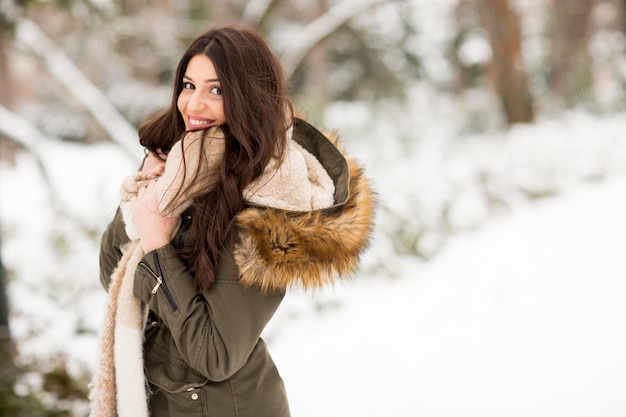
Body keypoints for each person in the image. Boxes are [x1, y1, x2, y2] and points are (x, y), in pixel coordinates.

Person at [90, 24, 375, 417]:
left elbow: (214, 353)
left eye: (216, 90)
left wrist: (158, 247)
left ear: (249, 98)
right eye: (189, 86)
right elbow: (113, 276)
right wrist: (146, 195)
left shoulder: (269, 202)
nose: (193, 104)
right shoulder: (185, 169)